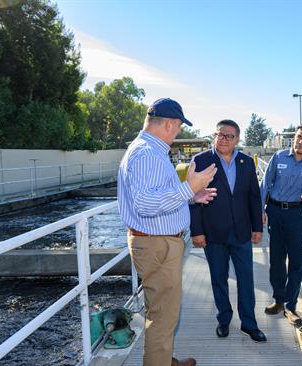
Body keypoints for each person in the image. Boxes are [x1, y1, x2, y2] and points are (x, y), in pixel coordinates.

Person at [118, 98, 218, 366]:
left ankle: (163, 359)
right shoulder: (146, 154)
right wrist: (188, 188)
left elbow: (156, 195)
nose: (178, 133)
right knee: (163, 316)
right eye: (178, 128)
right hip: (157, 244)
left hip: (156, 242)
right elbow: (145, 204)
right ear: (170, 124)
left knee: (162, 311)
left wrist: (191, 197)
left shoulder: (149, 151)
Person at [189, 119, 267, 342]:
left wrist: (257, 227)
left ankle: (249, 324)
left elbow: (253, 196)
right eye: (219, 135)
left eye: (229, 136)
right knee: (218, 278)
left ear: (237, 139)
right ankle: (224, 319)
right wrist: (196, 231)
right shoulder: (201, 160)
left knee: (246, 279)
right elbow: (191, 198)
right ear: (214, 136)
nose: (223, 139)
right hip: (213, 232)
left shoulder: (246, 162)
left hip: (241, 232)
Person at [260, 124, 302, 326]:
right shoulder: (279, 157)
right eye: (299, 137)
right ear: (294, 138)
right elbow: (265, 184)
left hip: (297, 214)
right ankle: (278, 300)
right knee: (276, 260)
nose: (301, 141)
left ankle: (290, 306)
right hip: (275, 211)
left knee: (296, 261)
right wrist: (259, 210)